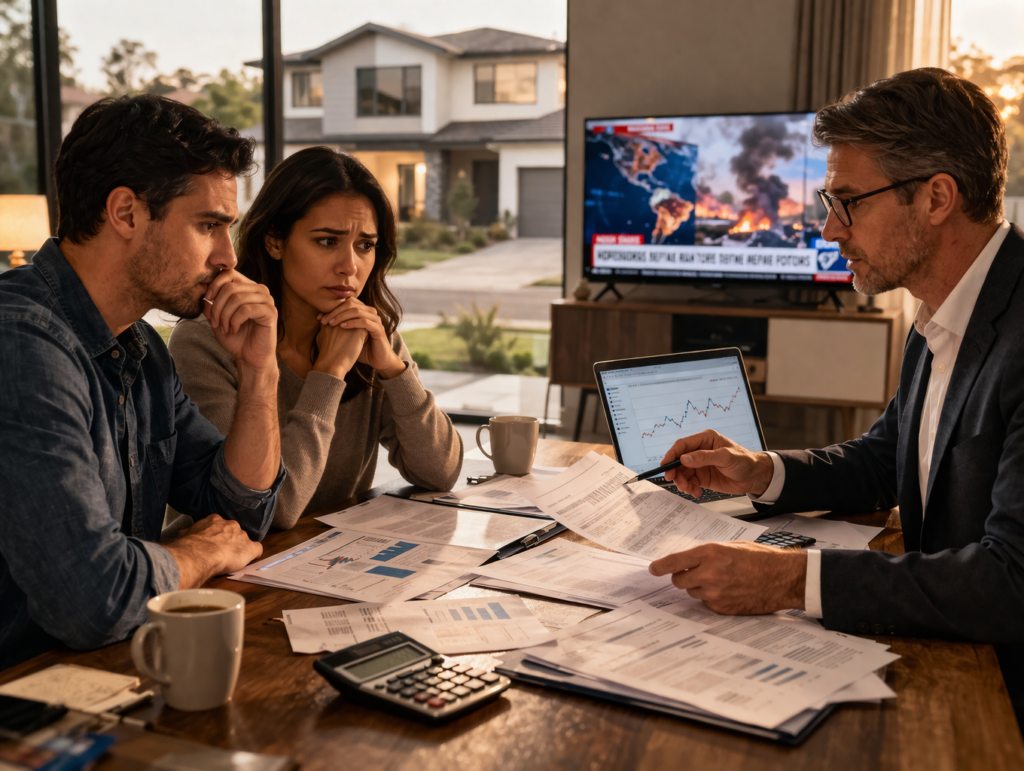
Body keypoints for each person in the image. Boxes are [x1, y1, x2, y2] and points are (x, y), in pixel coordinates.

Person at [647, 68, 1024, 715]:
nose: (829, 230)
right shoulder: (942, 311)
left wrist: (790, 579)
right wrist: (759, 470)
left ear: (936, 198)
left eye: (847, 202)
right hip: (947, 652)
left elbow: (1011, 582)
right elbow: (887, 458)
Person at [0, 95, 285, 670]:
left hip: (106, 676)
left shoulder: (139, 347)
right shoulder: (20, 345)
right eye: (209, 226)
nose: (230, 258)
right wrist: (198, 552)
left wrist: (259, 372)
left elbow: (243, 514)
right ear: (126, 212)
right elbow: (93, 597)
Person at [168, 147, 462, 529]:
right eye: (327, 241)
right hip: (226, 577)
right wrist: (329, 373)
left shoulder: (368, 334)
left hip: (328, 564)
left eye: (365, 245)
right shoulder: (209, 341)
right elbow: (270, 511)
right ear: (275, 241)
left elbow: (441, 472)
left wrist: (393, 369)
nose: (350, 267)